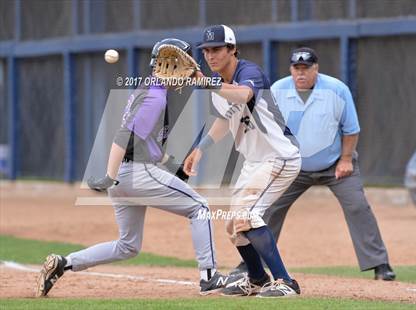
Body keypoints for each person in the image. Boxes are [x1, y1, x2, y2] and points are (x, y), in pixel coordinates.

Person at [35, 38, 228, 298]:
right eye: (181, 64)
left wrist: (170, 164)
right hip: (135, 173)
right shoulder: (155, 97)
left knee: (128, 246)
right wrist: (108, 176)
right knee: (200, 208)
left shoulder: (150, 88)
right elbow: (124, 137)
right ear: (168, 66)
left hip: (129, 175)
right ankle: (209, 277)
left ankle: (63, 263)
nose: (186, 71)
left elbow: (145, 142)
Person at [231, 47, 396, 281]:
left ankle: (380, 264)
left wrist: (346, 159)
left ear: (316, 69)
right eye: (296, 68)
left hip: (335, 164)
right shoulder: (278, 89)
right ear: (290, 69)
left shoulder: (337, 90)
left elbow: (351, 130)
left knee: (358, 206)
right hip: (294, 165)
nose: (301, 73)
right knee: (266, 208)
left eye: (306, 68)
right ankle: (251, 263)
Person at [183, 25, 302, 298]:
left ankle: (286, 282)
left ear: (232, 49)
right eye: (207, 51)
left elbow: (243, 95)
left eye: (217, 49)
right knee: (233, 224)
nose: (211, 56)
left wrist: (206, 82)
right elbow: (225, 119)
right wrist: (200, 149)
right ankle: (257, 279)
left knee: (247, 216)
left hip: (279, 157)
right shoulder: (217, 84)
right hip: (255, 162)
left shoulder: (249, 72)